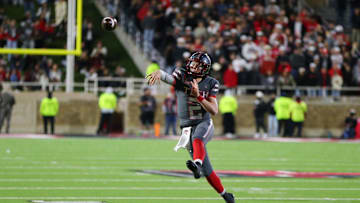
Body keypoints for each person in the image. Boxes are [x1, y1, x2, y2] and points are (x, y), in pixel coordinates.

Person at [146, 52, 235, 203]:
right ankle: (226, 195)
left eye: (197, 65)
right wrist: (159, 73)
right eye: (192, 63)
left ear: (204, 68)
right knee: (207, 171)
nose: (192, 66)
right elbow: (169, 78)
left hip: (203, 122)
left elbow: (213, 110)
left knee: (198, 138)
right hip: (186, 127)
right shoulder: (182, 75)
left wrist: (199, 96)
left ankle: (197, 164)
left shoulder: (211, 82)